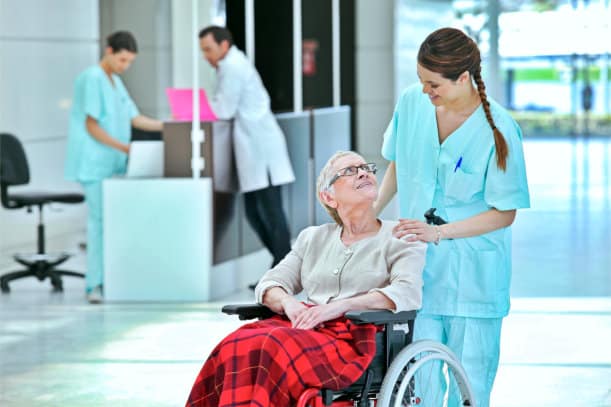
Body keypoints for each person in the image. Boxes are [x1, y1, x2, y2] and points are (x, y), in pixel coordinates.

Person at [186, 151, 426, 406]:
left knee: (270, 345)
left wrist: (339, 307)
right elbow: (271, 283)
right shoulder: (313, 238)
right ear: (328, 197)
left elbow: (407, 292)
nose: (363, 172)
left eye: (365, 167)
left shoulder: (401, 236)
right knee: (238, 342)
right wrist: (290, 304)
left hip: (355, 341)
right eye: (350, 171)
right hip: (308, 329)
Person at [375, 27, 530, 406]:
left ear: (463, 78)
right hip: (417, 275)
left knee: (471, 387)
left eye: (434, 85)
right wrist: (370, 216)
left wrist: (439, 233)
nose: (426, 92)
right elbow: (398, 162)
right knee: (419, 386)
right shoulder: (413, 104)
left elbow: (504, 213)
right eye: (421, 81)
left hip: (473, 282)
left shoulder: (499, 130)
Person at [65, 31, 163, 304]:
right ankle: (93, 284)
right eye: (122, 60)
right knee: (99, 223)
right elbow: (91, 125)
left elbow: (136, 118)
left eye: (129, 62)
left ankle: (112, 279)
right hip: (94, 163)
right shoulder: (91, 78)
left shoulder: (116, 82)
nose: (124, 66)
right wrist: (125, 148)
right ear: (108, 51)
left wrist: (170, 124)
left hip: (112, 164)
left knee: (111, 222)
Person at [198, 26, 295, 288]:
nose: (205, 55)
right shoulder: (229, 65)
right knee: (255, 211)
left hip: (260, 148)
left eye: (208, 49)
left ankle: (283, 271)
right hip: (254, 148)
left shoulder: (233, 67)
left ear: (224, 45)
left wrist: (196, 110)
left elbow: (224, 108)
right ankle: (280, 268)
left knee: (270, 212)